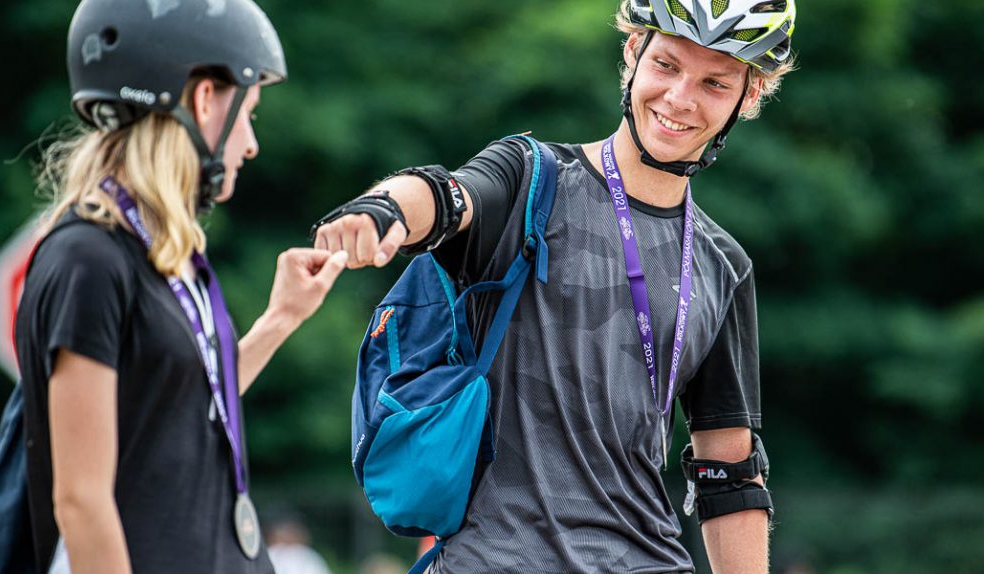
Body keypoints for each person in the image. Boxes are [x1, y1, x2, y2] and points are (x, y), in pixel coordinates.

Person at [311, 0, 795, 572]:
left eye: (715, 82)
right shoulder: (531, 179)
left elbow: (729, 475)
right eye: (666, 65)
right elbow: (445, 198)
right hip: (495, 560)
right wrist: (380, 211)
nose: (681, 98)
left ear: (751, 95)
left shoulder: (722, 266)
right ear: (633, 53)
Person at [15, 0, 347, 572]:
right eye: (249, 114)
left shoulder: (168, 256)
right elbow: (81, 501)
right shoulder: (89, 260)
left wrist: (280, 320)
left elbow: (185, 409)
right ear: (203, 100)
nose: (250, 144)